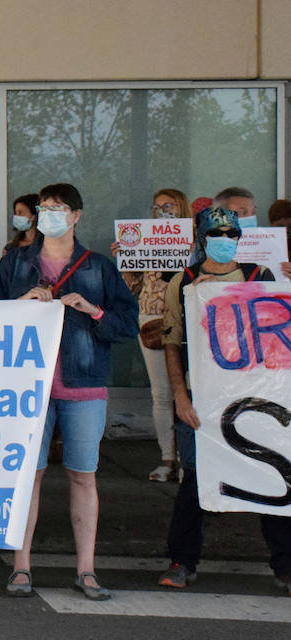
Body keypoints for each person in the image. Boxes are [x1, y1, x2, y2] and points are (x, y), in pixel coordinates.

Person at [0, 183, 138, 601]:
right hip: (27, 387)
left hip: (83, 385)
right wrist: (20, 304)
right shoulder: (15, 264)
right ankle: (21, 566)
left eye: (58, 207)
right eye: (43, 207)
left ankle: (86, 570)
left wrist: (95, 310)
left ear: (76, 216)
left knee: (83, 476)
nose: (49, 213)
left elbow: (127, 324)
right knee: (27, 477)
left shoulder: (98, 267)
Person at [156, 207, 291, 595]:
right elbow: (170, 342)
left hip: (255, 397)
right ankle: (183, 560)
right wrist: (180, 396)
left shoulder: (260, 277)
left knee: (272, 474)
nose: (224, 238)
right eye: (216, 232)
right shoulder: (182, 281)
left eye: (231, 232)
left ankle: (285, 564)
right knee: (197, 479)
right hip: (202, 399)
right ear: (201, 237)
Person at [110, 189, 191, 482]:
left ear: (181, 206)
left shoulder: (195, 238)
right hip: (152, 317)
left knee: (188, 391)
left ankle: (188, 460)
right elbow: (133, 287)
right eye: (157, 207)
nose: (162, 211)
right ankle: (167, 457)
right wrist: (125, 259)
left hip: (187, 318)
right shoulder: (146, 238)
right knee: (161, 392)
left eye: (168, 206)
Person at [268, 199, 291, 280]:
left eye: (290, 226)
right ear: (271, 224)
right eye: (280, 226)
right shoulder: (263, 243)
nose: (286, 230)